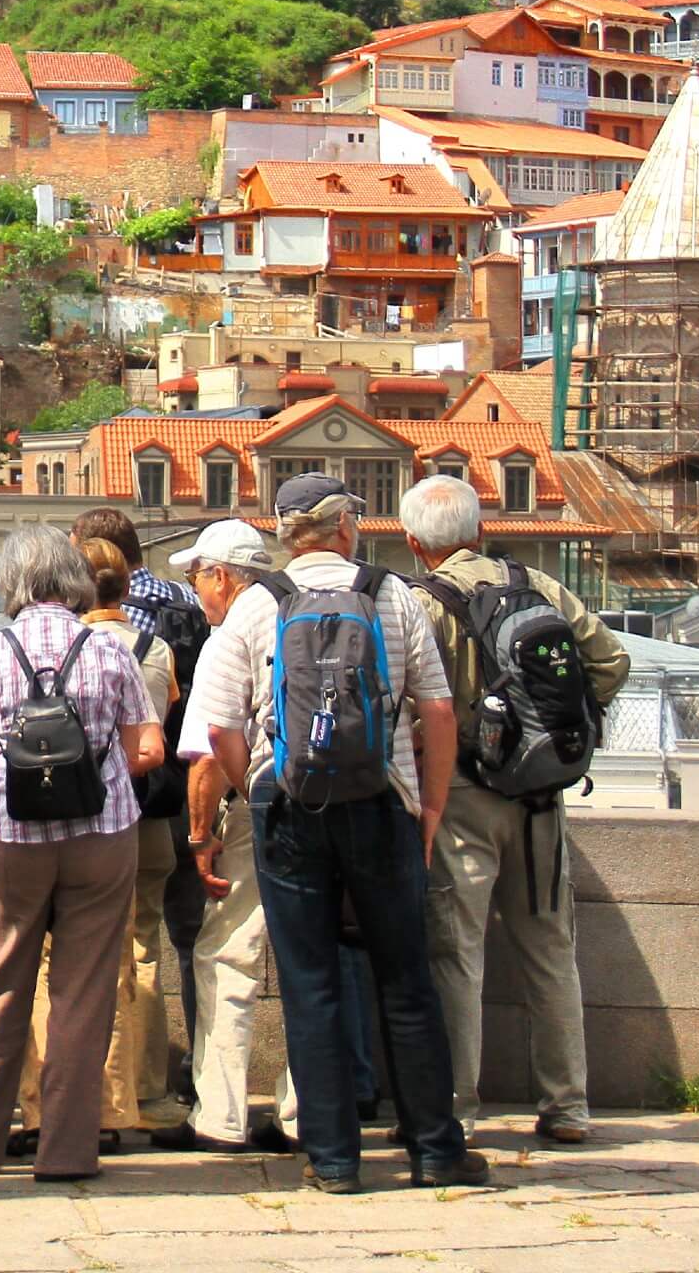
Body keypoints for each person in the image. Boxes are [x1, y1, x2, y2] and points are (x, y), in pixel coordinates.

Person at [181, 475, 486, 1195]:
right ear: (348, 525)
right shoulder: (394, 596)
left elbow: (221, 725)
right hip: (384, 804)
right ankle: (436, 1151)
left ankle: (334, 1159)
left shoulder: (257, 604)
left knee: (310, 984)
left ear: (285, 532)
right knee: (406, 980)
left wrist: (259, 790)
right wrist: (431, 808)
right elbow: (437, 712)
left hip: (291, 811)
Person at [401, 475, 630, 1147]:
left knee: (457, 955)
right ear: (479, 531)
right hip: (539, 800)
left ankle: (458, 1111)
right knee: (551, 951)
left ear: (415, 544)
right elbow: (612, 662)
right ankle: (567, 1106)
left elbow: (415, 705)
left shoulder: (421, 601)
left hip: (464, 797)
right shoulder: (539, 587)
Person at [0, 527, 161, 1182]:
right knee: (84, 994)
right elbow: (140, 740)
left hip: (15, 836)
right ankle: (66, 1150)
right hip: (102, 832)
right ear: (75, 579)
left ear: (12, 580)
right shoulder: (108, 648)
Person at [11, 534, 178, 1155]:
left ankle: (38, 1107)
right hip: (118, 826)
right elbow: (153, 746)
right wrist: (99, 773)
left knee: (36, 970)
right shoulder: (141, 649)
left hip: (24, 830)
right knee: (123, 963)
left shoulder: (9, 646)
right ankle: (122, 1099)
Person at [146, 520, 297, 1156]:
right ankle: (304, 1114)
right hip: (342, 808)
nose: (196, 591)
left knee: (224, 954)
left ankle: (222, 1116)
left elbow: (207, 749)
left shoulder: (231, 630)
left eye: (197, 577)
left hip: (263, 808)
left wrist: (202, 835)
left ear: (223, 578)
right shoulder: (305, 605)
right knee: (309, 963)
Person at [74, 505, 207, 1095]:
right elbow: (183, 708)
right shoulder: (179, 615)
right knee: (159, 943)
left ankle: (89, 1088)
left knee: (75, 956)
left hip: (84, 814)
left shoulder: (68, 641)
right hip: (165, 803)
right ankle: (154, 1084)